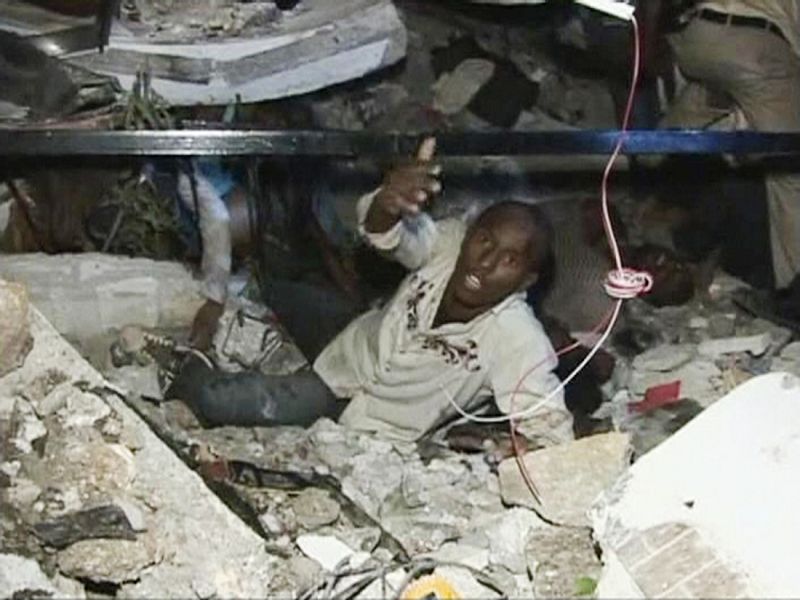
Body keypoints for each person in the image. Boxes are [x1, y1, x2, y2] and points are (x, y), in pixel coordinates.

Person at [167, 138, 573, 444]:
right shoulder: (449, 243)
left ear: (526, 281)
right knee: (280, 291)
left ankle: (182, 368)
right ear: (469, 235)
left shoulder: (517, 338)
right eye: (485, 241)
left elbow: (551, 430)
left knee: (218, 399)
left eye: (509, 260)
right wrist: (387, 203)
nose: (485, 262)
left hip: (360, 415)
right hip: (354, 342)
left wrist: (509, 445)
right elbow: (391, 236)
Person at [660, 0, 800, 318]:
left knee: (717, 95)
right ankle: (794, 300)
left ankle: (650, 150)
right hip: (753, 45)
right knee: (792, 173)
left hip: (698, 37)